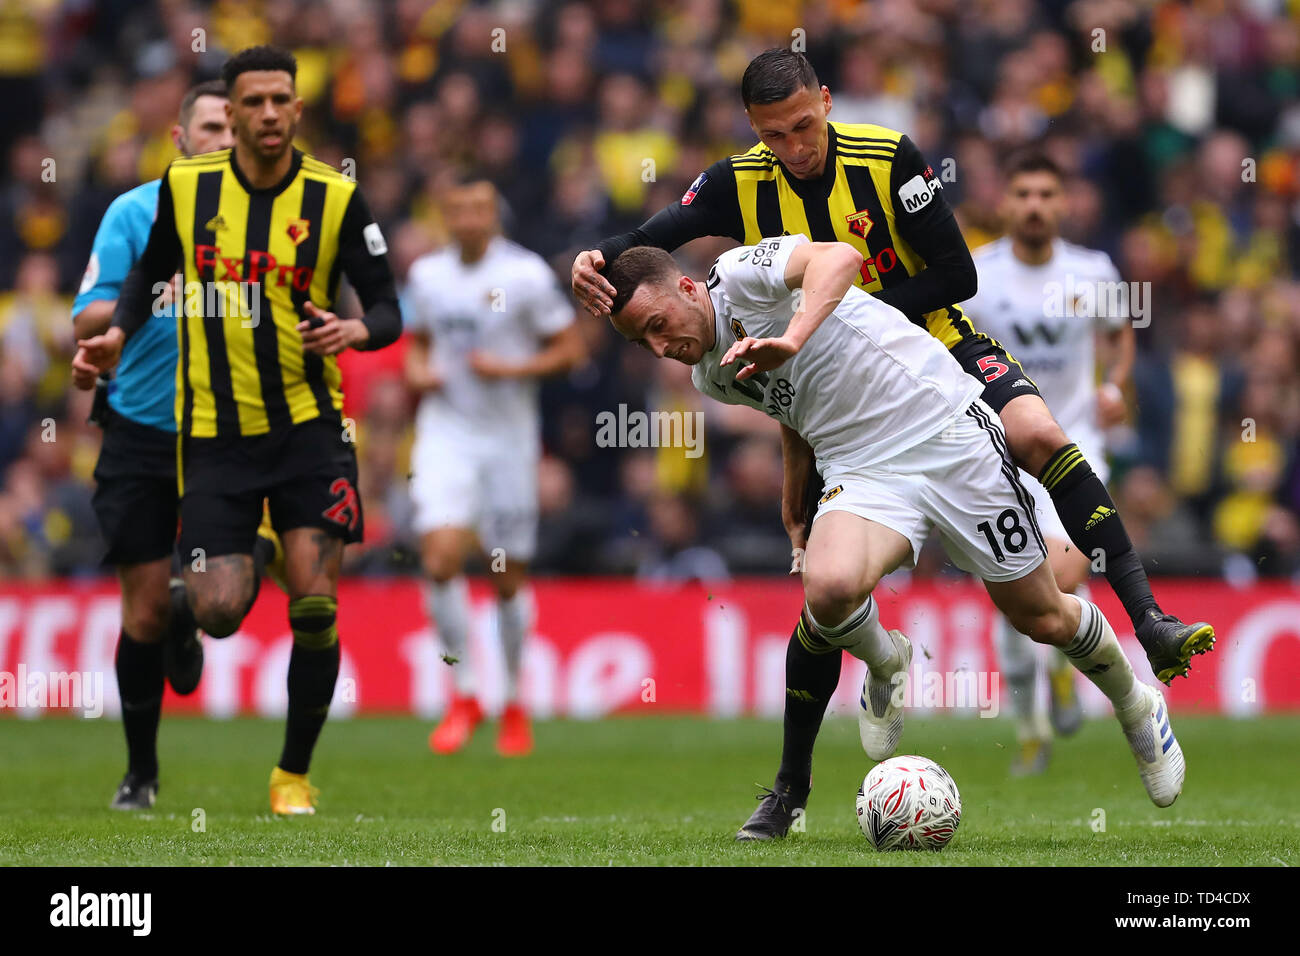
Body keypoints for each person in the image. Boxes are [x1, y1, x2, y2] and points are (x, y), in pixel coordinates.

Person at [574, 47, 1208, 837]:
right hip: (860, 452)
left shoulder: (821, 210)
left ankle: (1140, 676)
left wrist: (821, 323)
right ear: (752, 132)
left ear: (828, 102)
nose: (795, 145)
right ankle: (878, 670)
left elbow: (900, 268)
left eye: (805, 125)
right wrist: (592, 260)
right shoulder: (714, 341)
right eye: (776, 134)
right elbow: (672, 267)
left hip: (934, 387)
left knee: (1041, 575)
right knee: (828, 589)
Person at [603, 235, 1186, 840]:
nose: (658, 346)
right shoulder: (709, 377)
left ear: (688, 288)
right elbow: (795, 410)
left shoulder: (737, 275)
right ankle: (888, 661)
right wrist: (793, 495)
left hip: (944, 429)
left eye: (656, 324)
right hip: (861, 467)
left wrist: (793, 336)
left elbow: (839, 261)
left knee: (1042, 619)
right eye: (640, 341)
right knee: (827, 589)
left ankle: (1136, 704)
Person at [77, 46, 402, 816]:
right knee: (220, 610)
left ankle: (292, 775)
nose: (261, 116)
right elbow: (146, 272)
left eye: (275, 101)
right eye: (247, 102)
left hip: (309, 426)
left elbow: (388, 306)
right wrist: (119, 333)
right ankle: (205, 603)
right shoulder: (183, 191)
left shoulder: (335, 197)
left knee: (316, 605)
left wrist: (356, 331)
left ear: (296, 109)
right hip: (213, 435)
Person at [70, 80, 232, 811]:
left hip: (228, 429)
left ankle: (190, 614)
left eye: (234, 127)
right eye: (210, 127)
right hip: (139, 428)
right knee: (139, 612)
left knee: (223, 591)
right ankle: (140, 772)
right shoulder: (133, 212)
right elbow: (87, 313)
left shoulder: (273, 221)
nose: (225, 139)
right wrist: (156, 292)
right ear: (179, 139)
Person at [964, 150, 1135, 776]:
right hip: (1001, 448)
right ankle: (1030, 725)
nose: (1034, 205)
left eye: (1045, 194)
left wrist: (1114, 385)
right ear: (1005, 202)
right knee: (1012, 597)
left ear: (1063, 203)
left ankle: (1062, 664)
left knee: (1058, 580)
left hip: (1074, 444)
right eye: (1022, 194)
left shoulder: (1093, 272)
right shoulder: (978, 274)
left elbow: (1119, 335)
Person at [404, 174, 583, 757]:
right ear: (445, 215)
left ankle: (511, 699)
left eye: (480, 208)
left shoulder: (525, 275)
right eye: (458, 210)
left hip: (508, 439)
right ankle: (464, 693)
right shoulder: (428, 275)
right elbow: (418, 342)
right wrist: (417, 371)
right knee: (439, 557)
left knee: (506, 577)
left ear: (494, 214)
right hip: (446, 433)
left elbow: (570, 350)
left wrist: (509, 371)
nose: (470, 219)